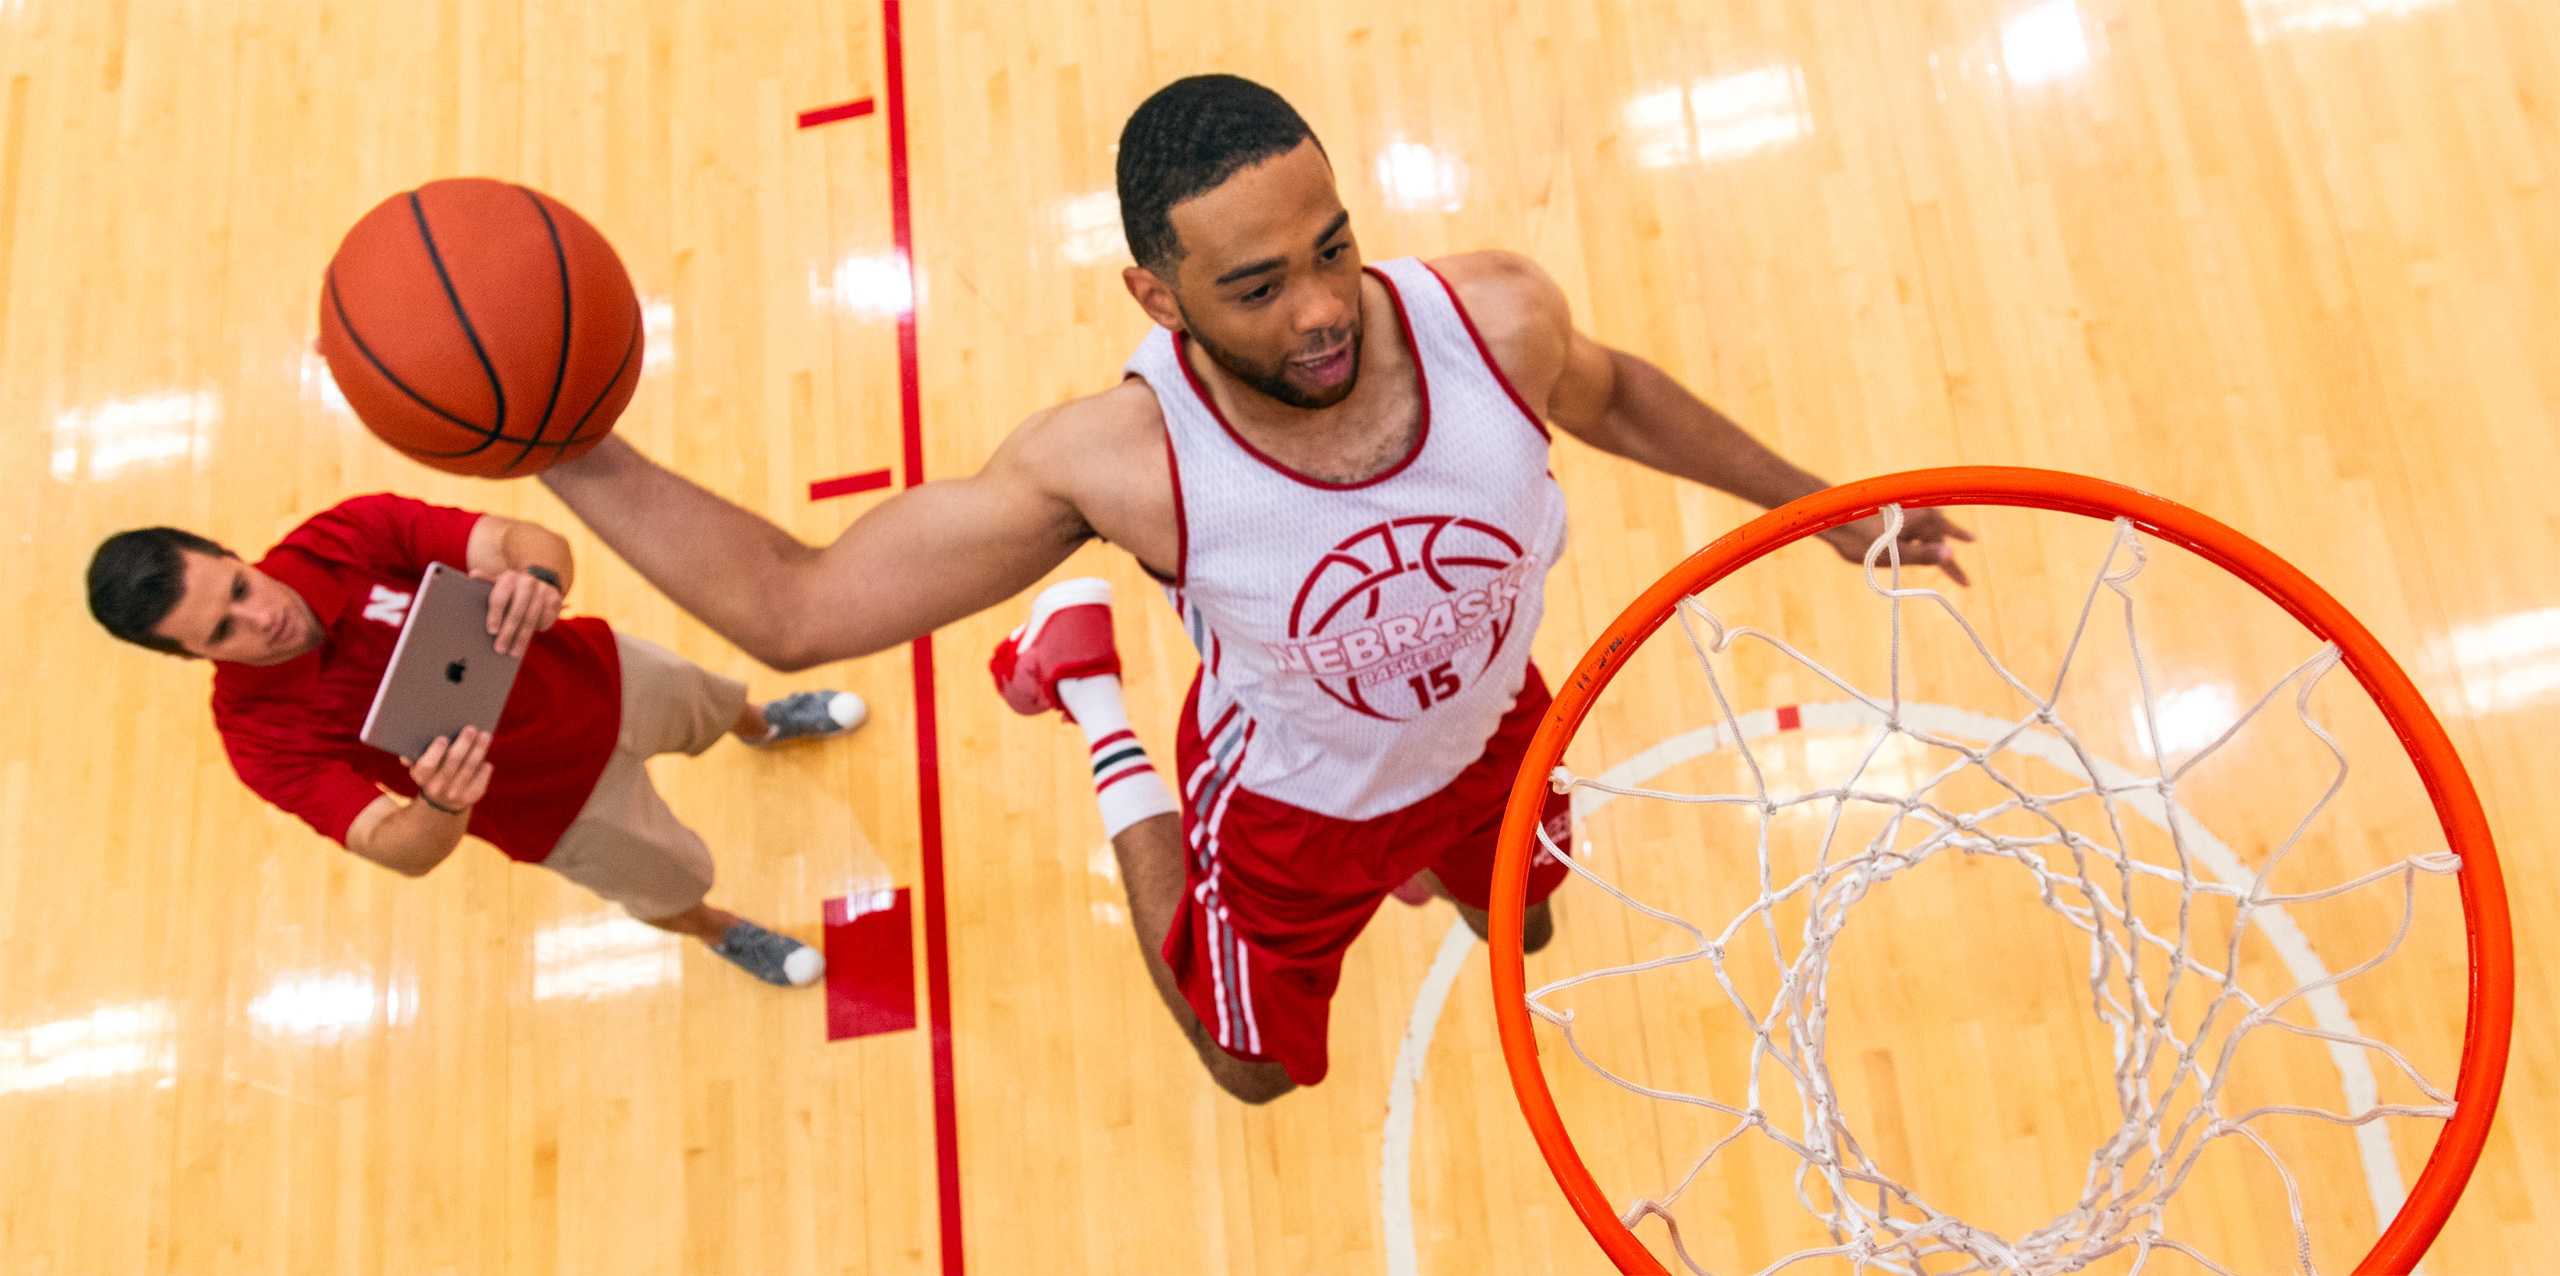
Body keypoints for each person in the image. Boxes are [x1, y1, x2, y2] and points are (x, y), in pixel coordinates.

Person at [536, 75, 1972, 1099]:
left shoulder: (1494, 317)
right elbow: (796, 609)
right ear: (1157, 298)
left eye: (1334, 246)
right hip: (1294, 796)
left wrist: (1822, 512)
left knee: (1520, 927)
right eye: (1259, 285)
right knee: (1252, 1072)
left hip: (1490, 728)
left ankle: (1414, 846)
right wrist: (564, 448)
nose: (1325, 307)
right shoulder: (1120, 465)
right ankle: (1093, 698)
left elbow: (1618, 395)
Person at [85, 493, 870, 988]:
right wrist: (439, 804)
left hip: (602, 675)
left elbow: (523, 540)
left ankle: (763, 725)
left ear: (232, 556)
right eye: (223, 630)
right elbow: (397, 849)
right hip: (557, 811)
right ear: (190, 657)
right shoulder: (257, 738)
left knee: (717, 702)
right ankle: (718, 931)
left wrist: (539, 580)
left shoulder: (345, 534)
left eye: (239, 588)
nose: (263, 618)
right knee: (669, 888)